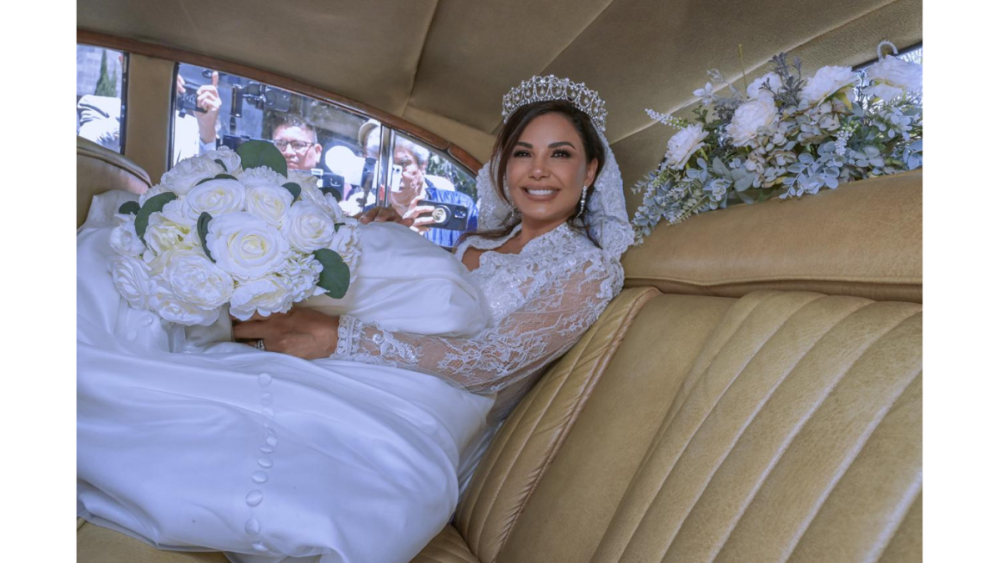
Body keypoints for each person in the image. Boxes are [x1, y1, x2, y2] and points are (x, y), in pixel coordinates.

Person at [77, 75, 632, 563]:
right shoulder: (481, 242)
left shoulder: (587, 270)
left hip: (438, 402)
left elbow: (487, 362)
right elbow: (436, 302)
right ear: (503, 166)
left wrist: (337, 335)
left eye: (559, 154)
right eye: (522, 154)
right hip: (388, 369)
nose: (538, 171)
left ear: (590, 171)